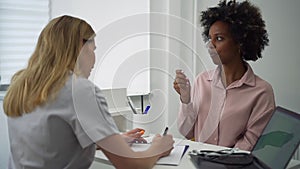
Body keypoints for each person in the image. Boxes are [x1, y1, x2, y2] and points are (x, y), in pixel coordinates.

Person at [3, 15, 174, 169]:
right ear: (80, 46)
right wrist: (158, 148)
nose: (94, 59)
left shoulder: (21, 85)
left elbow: (51, 146)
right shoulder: (79, 90)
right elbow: (133, 165)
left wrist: (112, 141)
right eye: (93, 49)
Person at [173, 0, 275, 151]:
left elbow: (250, 143)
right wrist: (186, 99)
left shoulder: (261, 92)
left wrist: (217, 161)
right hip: (198, 162)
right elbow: (187, 132)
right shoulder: (202, 81)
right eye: (210, 38)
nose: (210, 45)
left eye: (219, 38)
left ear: (239, 43)